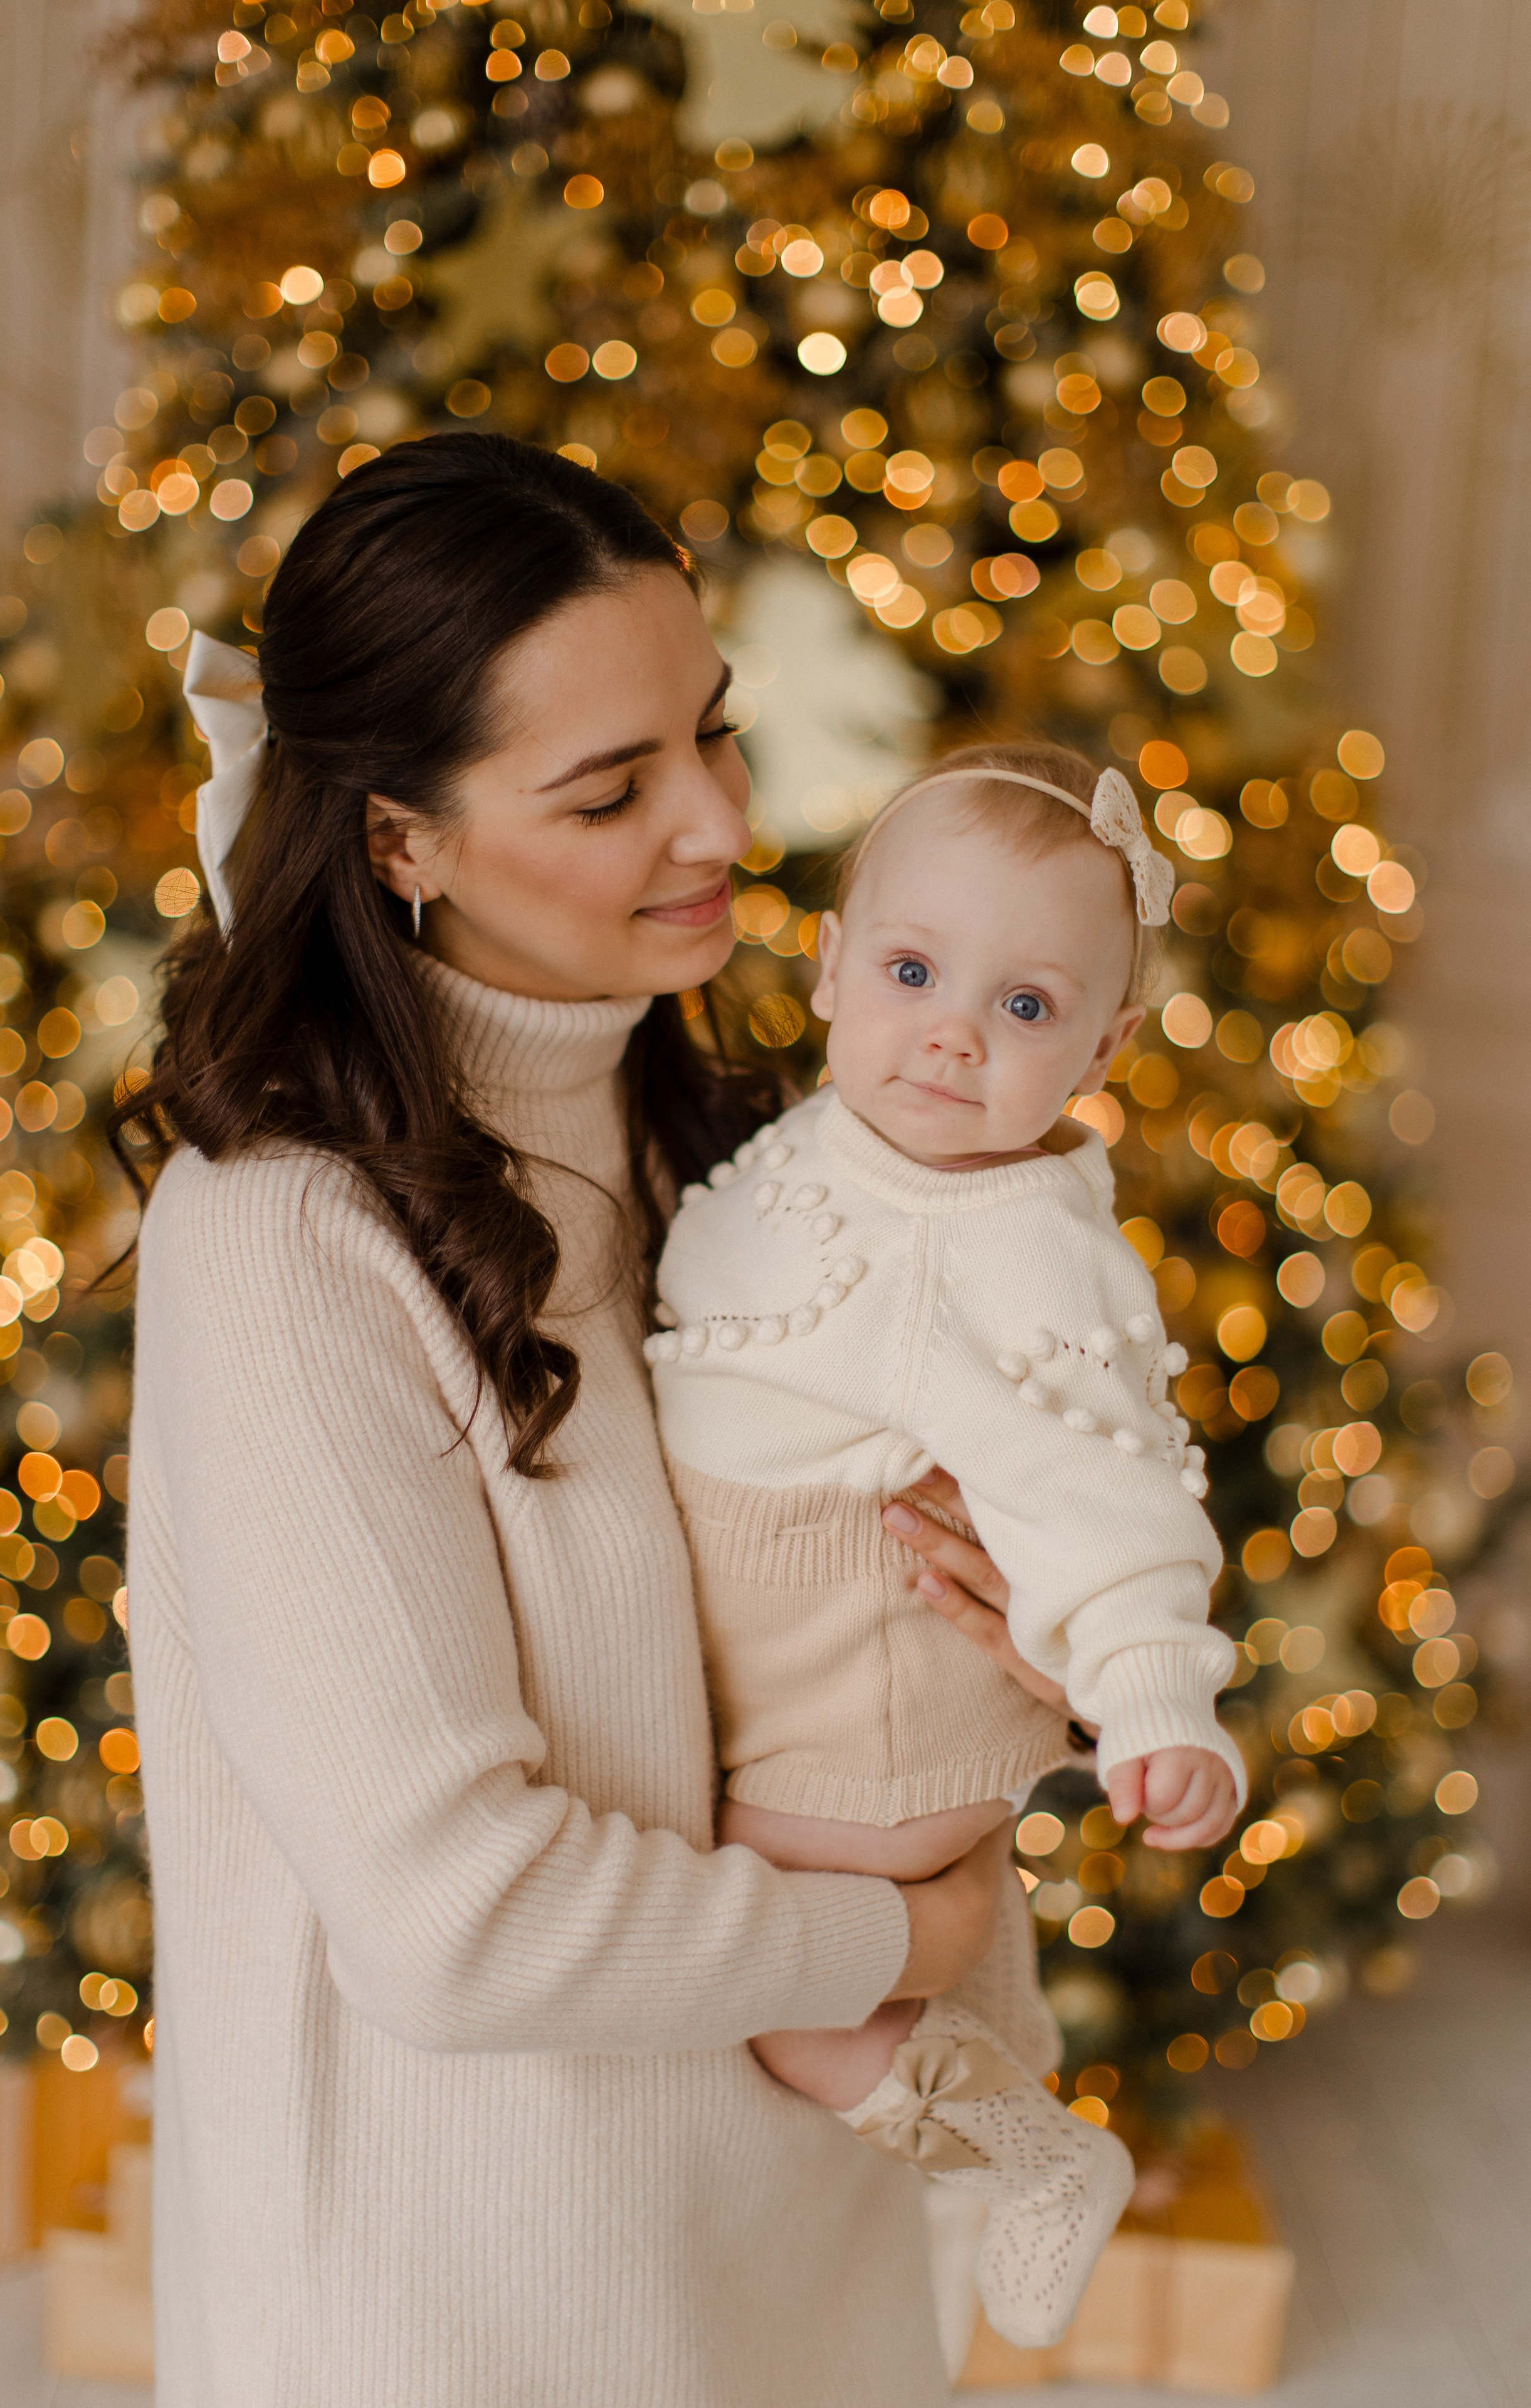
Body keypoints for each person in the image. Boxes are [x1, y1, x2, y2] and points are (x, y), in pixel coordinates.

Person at [117, 433, 1043, 2407]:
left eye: (713, 732)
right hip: (457, 2331)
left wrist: (1002, 1628)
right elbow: (454, 1923)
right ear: (402, 843)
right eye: (612, 790)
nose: (722, 819)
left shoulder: (750, 1155)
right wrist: (893, 1938)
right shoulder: (279, 1241)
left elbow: (802, 1690)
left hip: (789, 2274)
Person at [647, 742, 1248, 2347]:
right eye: (912, 972)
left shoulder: (1010, 1248)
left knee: (782, 2000)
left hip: (869, 1702)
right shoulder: (832, 1140)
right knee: (882, 1948)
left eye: (1025, 1006)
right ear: (831, 963)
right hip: (822, 1672)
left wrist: (1154, 1702)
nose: (952, 1032)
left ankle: (1030, 2160)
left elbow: (1106, 1493)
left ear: (1104, 1049)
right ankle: (998, 2050)